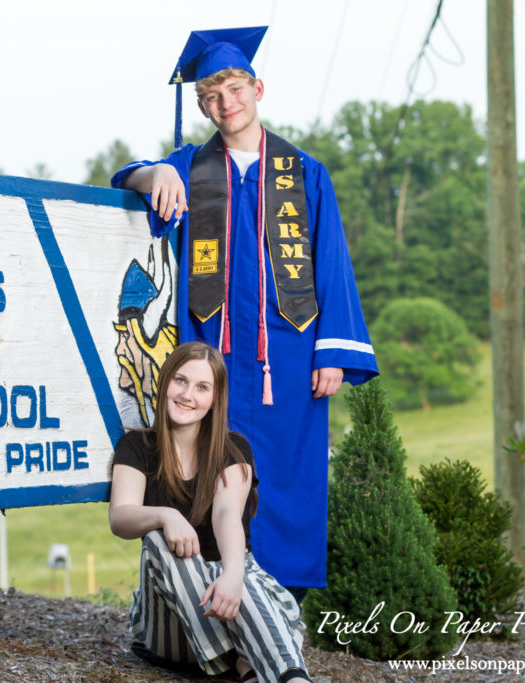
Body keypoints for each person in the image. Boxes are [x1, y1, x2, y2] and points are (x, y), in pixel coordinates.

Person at [111, 26, 379, 603]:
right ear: (203, 104)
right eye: (210, 96)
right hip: (212, 356)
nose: (224, 103)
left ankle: (283, 606)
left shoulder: (303, 173)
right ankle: (211, 597)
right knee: (211, 471)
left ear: (257, 88)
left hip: (290, 358)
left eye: (233, 89)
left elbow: (330, 261)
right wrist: (153, 172)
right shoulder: (188, 168)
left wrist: (333, 349)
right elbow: (124, 176)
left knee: (288, 475)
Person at [109, 341, 309, 683]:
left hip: (238, 599)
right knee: (158, 541)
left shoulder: (233, 448)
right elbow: (121, 516)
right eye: (181, 381)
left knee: (241, 573)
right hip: (172, 623)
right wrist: (166, 516)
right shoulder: (137, 446)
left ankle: (293, 678)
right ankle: (239, 664)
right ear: (165, 382)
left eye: (202, 387)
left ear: (215, 398)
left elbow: (227, 514)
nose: (188, 394)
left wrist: (232, 577)